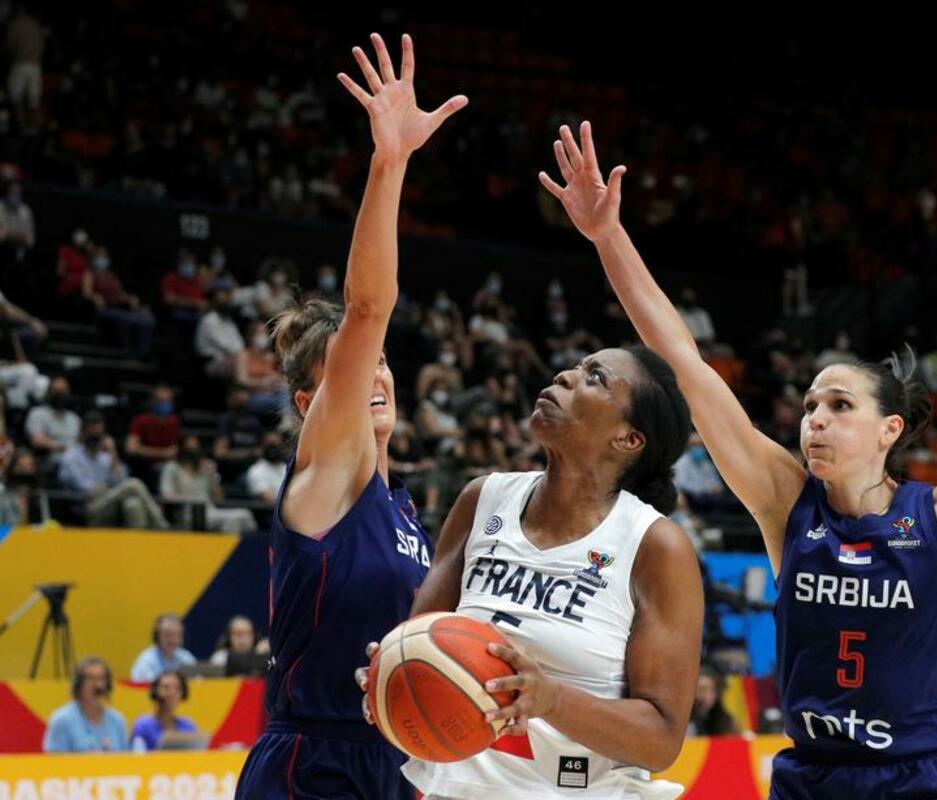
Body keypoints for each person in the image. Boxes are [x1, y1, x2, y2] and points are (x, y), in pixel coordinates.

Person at [540, 121, 937, 799]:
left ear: (889, 430)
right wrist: (607, 236)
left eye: (840, 405)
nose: (815, 418)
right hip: (814, 777)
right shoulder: (785, 502)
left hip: (926, 779)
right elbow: (683, 362)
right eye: (810, 405)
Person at [234, 33, 462, 800]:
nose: (376, 373)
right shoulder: (327, 471)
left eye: (382, 362)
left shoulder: (404, 514)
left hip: (394, 762)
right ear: (310, 405)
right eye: (355, 368)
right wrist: (389, 162)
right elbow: (367, 308)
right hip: (313, 762)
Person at [357, 341, 701, 799]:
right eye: (576, 366)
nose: (565, 376)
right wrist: (392, 671)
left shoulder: (654, 545)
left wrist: (551, 699)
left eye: (595, 378)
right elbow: (420, 637)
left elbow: (660, 741)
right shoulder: (482, 499)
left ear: (628, 439)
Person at [59, 411, 169, 529]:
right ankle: (163, 528)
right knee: (133, 484)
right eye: (93, 434)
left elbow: (120, 480)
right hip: (88, 508)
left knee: (133, 505)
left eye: (100, 434)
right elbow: (87, 489)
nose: (97, 437)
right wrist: (107, 490)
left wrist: (113, 452)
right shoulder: (71, 457)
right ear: (83, 432)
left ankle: (141, 540)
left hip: (110, 502)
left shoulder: (104, 458)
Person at [43, 658, 127, 753]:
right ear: (79, 685)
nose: (98, 685)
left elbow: (127, 758)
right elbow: (55, 759)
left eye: (102, 679)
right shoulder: (62, 720)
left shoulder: (116, 720)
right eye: (91, 679)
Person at [129, 671, 200, 752]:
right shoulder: (143, 725)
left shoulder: (188, 726)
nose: (172, 693)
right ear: (155, 691)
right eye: (166, 688)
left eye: (177, 689)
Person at [131, 613, 199, 682]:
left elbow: (198, 682)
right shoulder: (146, 661)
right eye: (168, 635)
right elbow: (149, 687)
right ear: (157, 637)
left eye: (177, 635)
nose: (173, 640)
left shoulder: (186, 657)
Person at [688, 664, 739, 737]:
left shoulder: (726, 721)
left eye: (712, 690)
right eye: (702, 689)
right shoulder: (686, 721)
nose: (708, 695)